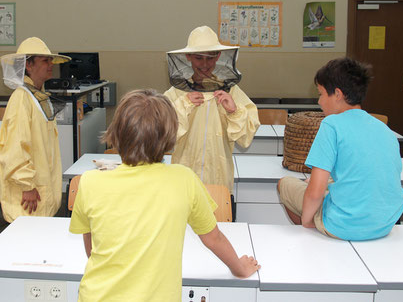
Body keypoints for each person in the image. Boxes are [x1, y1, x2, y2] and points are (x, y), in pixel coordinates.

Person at [69, 89, 260, 301]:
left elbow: (93, 249)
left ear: (115, 134)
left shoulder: (90, 182)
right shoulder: (184, 179)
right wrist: (239, 268)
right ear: (170, 136)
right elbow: (213, 238)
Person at [277, 57, 403, 241]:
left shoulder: (331, 125)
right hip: (384, 225)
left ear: (337, 94)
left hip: (343, 226)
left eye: (321, 94)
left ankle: (313, 234)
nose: (319, 101)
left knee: (285, 183)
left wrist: (306, 220)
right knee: (323, 181)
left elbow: (315, 193)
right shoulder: (383, 128)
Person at [164, 25, 260, 192]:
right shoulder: (176, 93)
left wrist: (234, 111)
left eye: (210, 57)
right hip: (183, 179)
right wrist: (182, 105)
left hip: (219, 179)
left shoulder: (232, 92)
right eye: (199, 58)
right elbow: (162, 135)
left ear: (219, 56)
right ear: (188, 57)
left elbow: (245, 138)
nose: (205, 64)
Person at [0, 37, 70, 223]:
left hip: (39, 192)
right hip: (29, 197)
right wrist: (26, 185)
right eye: (45, 60)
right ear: (28, 65)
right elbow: (14, 148)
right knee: (28, 246)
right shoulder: (21, 99)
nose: (51, 64)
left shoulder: (36, 96)